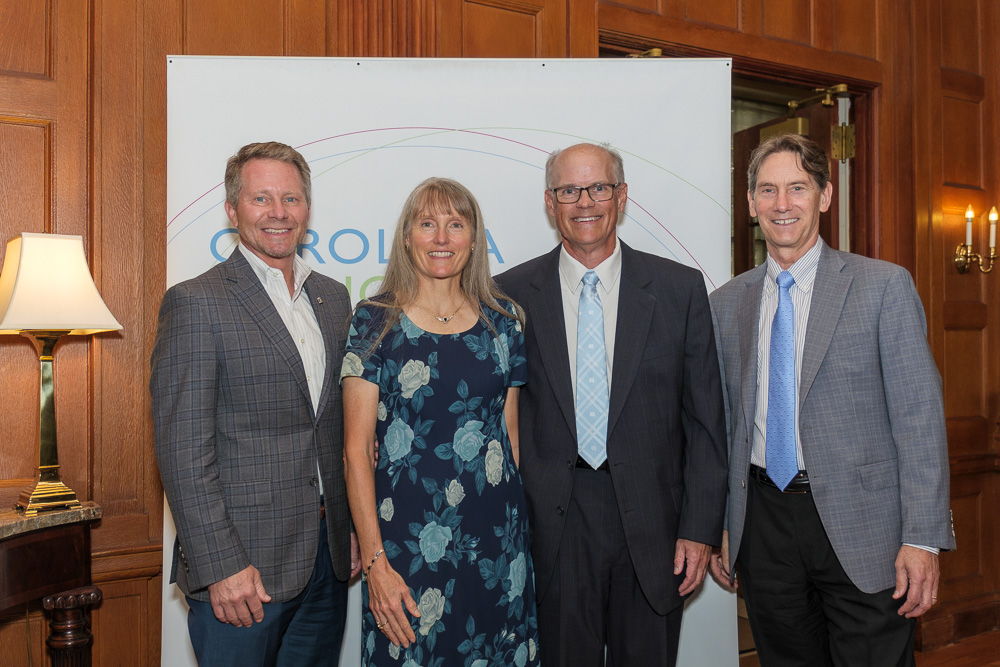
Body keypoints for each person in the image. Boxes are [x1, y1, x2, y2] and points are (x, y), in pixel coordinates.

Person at [708, 133, 956, 666]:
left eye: (797, 188)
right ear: (750, 204)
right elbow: (726, 425)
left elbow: (919, 419)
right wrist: (728, 522)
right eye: (768, 190)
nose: (782, 204)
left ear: (824, 195)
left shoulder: (883, 286)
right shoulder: (726, 304)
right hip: (764, 524)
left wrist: (923, 538)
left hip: (864, 527)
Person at [495, 142, 728, 666]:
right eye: (568, 190)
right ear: (551, 202)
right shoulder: (508, 295)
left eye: (598, 187)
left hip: (654, 527)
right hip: (552, 527)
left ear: (621, 197)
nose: (585, 201)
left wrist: (699, 528)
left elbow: (705, 422)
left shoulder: (679, 289)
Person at [151, 141, 359, 666]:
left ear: (307, 209)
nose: (278, 213)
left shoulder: (333, 299)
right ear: (232, 209)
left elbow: (333, 429)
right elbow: (182, 453)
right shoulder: (197, 302)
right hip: (241, 571)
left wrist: (349, 528)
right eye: (261, 198)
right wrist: (221, 564)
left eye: (290, 199)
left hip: (325, 561)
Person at [342, 177, 540, 665]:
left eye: (456, 224)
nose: (441, 238)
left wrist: (520, 548)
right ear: (407, 236)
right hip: (405, 547)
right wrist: (375, 563)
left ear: (474, 238)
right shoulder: (373, 321)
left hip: (498, 546)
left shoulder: (506, 321)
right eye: (427, 224)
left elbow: (509, 439)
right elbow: (354, 452)